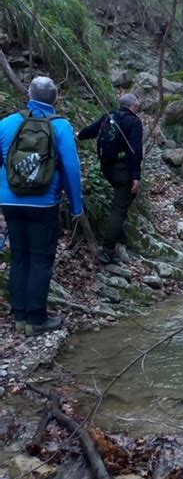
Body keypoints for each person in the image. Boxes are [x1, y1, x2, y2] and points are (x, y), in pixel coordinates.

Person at [0, 76, 83, 336]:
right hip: (44, 204)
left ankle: (20, 318)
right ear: (55, 99)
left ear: (29, 95)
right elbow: (71, 168)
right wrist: (76, 206)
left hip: (9, 201)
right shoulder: (60, 126)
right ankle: (36, 320)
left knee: (19, 257)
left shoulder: (6, 123)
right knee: (40, 260)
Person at [78, 93, 143, 264]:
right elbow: (135, 150)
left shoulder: (109, 116)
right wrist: (136, 177)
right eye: (138, 103)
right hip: (123, 171)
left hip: (106, 168)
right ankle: (107, 250)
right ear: (133, 105)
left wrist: (78, 135)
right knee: (119, 208)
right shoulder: (134, 122)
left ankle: (116, 232)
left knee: (120, 202)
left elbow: (90, 131)